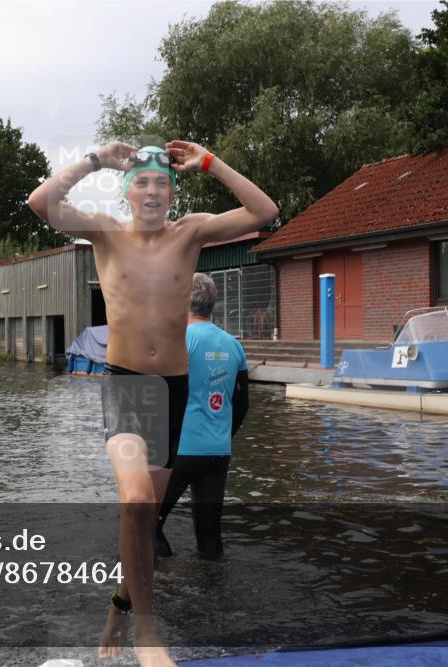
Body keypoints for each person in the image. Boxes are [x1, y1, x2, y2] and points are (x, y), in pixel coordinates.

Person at [29, 141, 277, 666]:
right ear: (126, 190)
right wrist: (95, 160)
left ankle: (121, 603)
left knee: (145, 519)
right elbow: (41, 203)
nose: (152, 189)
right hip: (125, 385)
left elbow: (265, 212)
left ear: (172, 191)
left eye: (161, 182)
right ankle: (148, 630)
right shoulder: (104, 231)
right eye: (141, 181)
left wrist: (211, 162)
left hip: (174, 388)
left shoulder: (189, 232)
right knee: (138, 500)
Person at [155, 273, 248, 562]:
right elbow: (242, 403)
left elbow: (160, 396)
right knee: (210, 538)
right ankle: (213, 595)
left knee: (147, 524)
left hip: (179, 451)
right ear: (213, 304)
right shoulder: (233, 345)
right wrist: (221, 436)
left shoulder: (178, 341)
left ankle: (162, 582)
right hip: (218, 452)